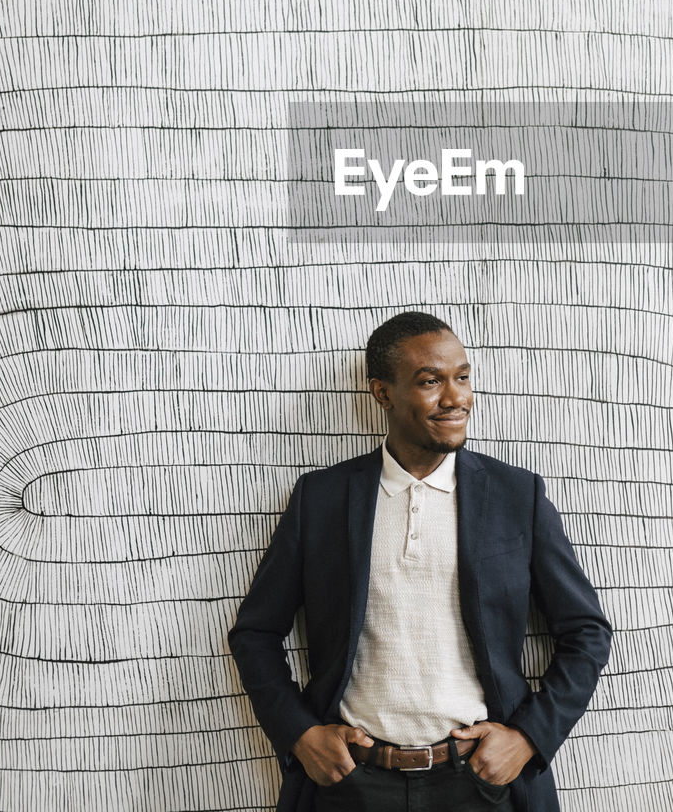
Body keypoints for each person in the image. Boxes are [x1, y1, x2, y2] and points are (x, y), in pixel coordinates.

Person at [228, 312, 612, 812]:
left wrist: (528, 739)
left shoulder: (518, 497)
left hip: (481, 783)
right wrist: (300, 734)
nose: (456, 398)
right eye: (431, 381)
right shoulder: (321, 499)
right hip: (351, 784)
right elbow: (255, 633)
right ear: (383, 393)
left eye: (463, 377)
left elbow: (586, 631)